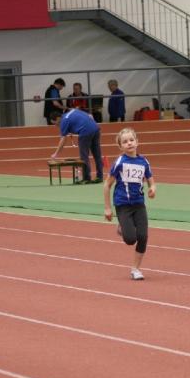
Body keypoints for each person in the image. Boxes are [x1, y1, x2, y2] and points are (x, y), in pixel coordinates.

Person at [103, 127, 156, 280]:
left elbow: (152, 182)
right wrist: (107, 208)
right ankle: (122, 226)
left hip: (139, 204)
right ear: (120, 146)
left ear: (137, 142)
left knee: (143, 236)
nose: (129, 143)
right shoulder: (119, 162)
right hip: (123, 205)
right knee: (130, 239)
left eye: (131, 140)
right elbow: (107, 185)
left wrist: (152, 189)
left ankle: (136, 269)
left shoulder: (144, 162)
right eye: (125, 142)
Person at [50, 108, 104, 183]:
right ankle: (100, 176)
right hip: (95, 128)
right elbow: (90, 115)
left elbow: (63, 140)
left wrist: (56, 153)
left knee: (84, 156)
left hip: (85, 132)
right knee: (97, 154)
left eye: (55, 123)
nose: (56, 125)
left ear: (58, 118)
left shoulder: (63, 121)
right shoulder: (73, 111)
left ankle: (86, 178)